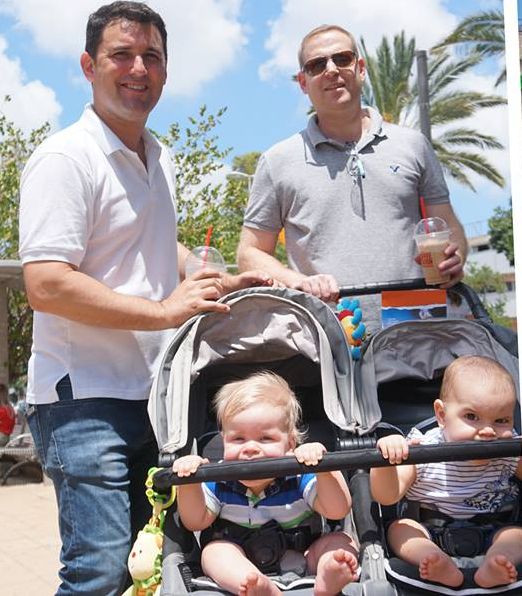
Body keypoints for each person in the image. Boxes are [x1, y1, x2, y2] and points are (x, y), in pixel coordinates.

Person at [18, 3, 270, 594]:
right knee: (99, 572)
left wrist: (212, 275)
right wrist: (163, 311)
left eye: (151, 56)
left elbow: (149, 244)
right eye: (121, 55)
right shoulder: (65, 158)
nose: (138, 68)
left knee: (150, 566)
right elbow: (47, 282)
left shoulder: (158, 157)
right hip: (83, 403)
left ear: (165, 70)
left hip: (155, 397)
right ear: (88, 65)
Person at [237, 24, 468, 334]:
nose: (331, 70)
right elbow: (249, 254)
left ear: (360, 69)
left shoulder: (413, 145)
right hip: (326, 335)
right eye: (318, 65)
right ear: (303, 83)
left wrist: (456, 258)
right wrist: (300, 283)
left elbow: (448, 225)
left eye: (342, 59)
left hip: (416, 330)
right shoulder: (278, 161)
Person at [173, 371, 359, 596]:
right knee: (213, 552)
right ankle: (256, 586)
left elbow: (338, 509)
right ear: (224, 441)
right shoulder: (219, 477)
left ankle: (328, 574)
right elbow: (195, 521)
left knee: (341, 541)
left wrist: (322, 467)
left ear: (290, 443)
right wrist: (189, 480)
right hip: (244, 562)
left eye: (265, 438)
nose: (250, 448)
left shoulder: (298, 473)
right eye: (238, 439)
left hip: (305, 557)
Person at [370, 356, 522, 589]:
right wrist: (387, 459)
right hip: (430, 529)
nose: (489, 431)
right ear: (441, 415)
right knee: (399, 530)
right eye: (472, 417)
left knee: (516, 535)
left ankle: (498, 563)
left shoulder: (508, 450)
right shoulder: (422, 449)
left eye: (501, 420)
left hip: (496, 528)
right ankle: (434, 562)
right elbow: (387, 496)